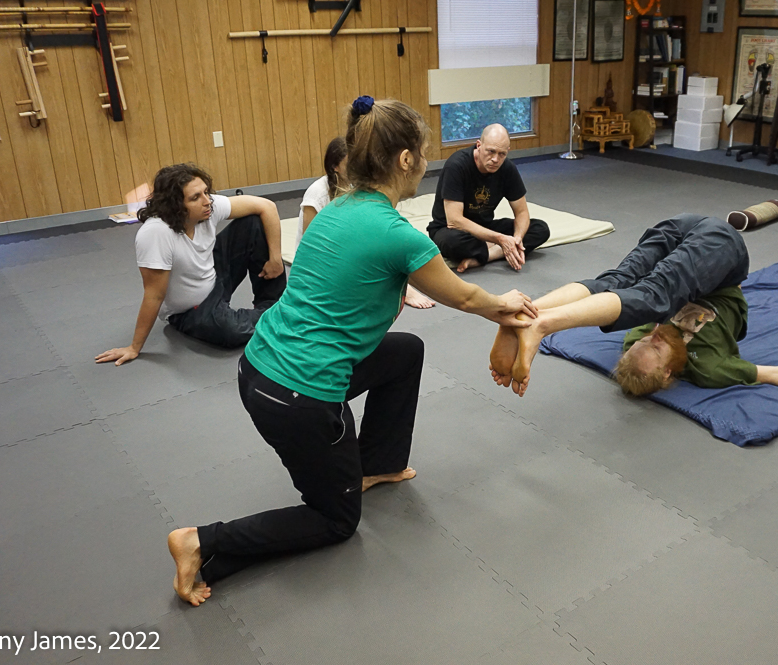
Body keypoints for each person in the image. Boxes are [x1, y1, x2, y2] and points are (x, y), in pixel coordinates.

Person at [165, 96, 538, 606]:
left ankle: (377, 464)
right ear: (405, 159)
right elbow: (469, 298)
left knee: (403, 352)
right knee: (336, 522)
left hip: (258, 368)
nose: (425, 162)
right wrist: (507, 305)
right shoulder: (398, 235)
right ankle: (202, 541)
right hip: (298, 397)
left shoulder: (336, 208)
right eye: (422, 153)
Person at [489, 211, 778, 400]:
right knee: (643, 294)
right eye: (654, 346)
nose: (652, 335)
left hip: (679, 229)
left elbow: (617, 308)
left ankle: (529, 315)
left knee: (622, 288)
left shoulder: (638, 342)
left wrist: (644, 341)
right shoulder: (709, 368)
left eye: (641, 342)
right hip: (722, 252)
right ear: (669, 372)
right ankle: (534, 320)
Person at [96, 164, 285, 366]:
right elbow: (154, 294)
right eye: (195, 198)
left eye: (206, 192)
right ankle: (281, 317)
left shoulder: (208, 207)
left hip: (215, 276)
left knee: (253, 221)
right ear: (176, 205)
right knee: (230, 332)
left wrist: (275, 257)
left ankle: (275, 305)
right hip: (189, 311)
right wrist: (134, 347)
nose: (207, 201)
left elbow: (267, 206)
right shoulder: (156, 234)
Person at [299, 137, 434, 309]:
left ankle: (403, 285)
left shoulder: (357, 188)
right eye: (349, 164)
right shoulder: (317, 193)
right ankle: (404, 287)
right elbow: (310, 243)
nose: (354, 168)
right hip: (321, 260)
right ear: (335, 167)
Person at [427, 123, 550, 273]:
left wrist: (517, 240)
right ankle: (496, 249)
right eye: (491, 151)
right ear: (479, 145)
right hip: (450, 229)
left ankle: (487, 256)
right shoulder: (457, 166)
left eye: (502, 154)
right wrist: (500, 239)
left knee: (540, 228)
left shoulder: (507, 169)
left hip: (485, 227)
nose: (495, 159)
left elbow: (522, 212)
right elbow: (454, 221)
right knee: (452, 243)